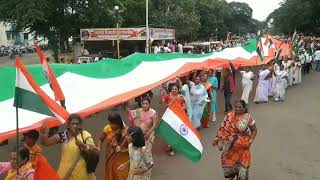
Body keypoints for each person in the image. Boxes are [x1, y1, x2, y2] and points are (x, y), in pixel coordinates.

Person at [40, 114, 98, 180]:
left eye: (77, 124)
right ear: (68, 124)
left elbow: (94, 152)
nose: (75, 126)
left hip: (83, 175)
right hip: (65, 174)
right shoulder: (63, 135)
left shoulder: (84, 135)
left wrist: (82, 145)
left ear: (80, 124)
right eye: (73, 123)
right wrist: (42, 133)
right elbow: (46, 142)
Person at [212, 100, 257, 180]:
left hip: (243, 149)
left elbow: (254, 130)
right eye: (236, 106)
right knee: (230, 171)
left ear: (244, 108)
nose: (237, 108)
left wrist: (250, 141)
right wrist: (217, 138)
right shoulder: (229, 116)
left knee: (243, 172)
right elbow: (222, 129)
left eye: (239, 107)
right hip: (230, 150)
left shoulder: (248, 117)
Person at [97, 113, 129, 180]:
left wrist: (122, 150)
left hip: (122, 156)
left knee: (122, 173)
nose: (111, 125)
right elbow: (101, 139)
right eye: (110, 122)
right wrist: (99, 147)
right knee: (110, 171)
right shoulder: (107, 128)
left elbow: (132, 147)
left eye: (113, 123)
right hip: (110, 154)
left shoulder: (126, 131)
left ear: (118, 123)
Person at [128, 97, 158, 164]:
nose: (145, 105)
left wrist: (148, 133)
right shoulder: (138, 111)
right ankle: (141, 162)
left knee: (147, 149)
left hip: (149, 134)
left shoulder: (153, 113)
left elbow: (154, 125)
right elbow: (131, 116)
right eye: (143, 103)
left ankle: (149, 162)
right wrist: (129, 112)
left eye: (146, 104)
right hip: (139, 134)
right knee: (139, 148)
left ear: (149, 104)